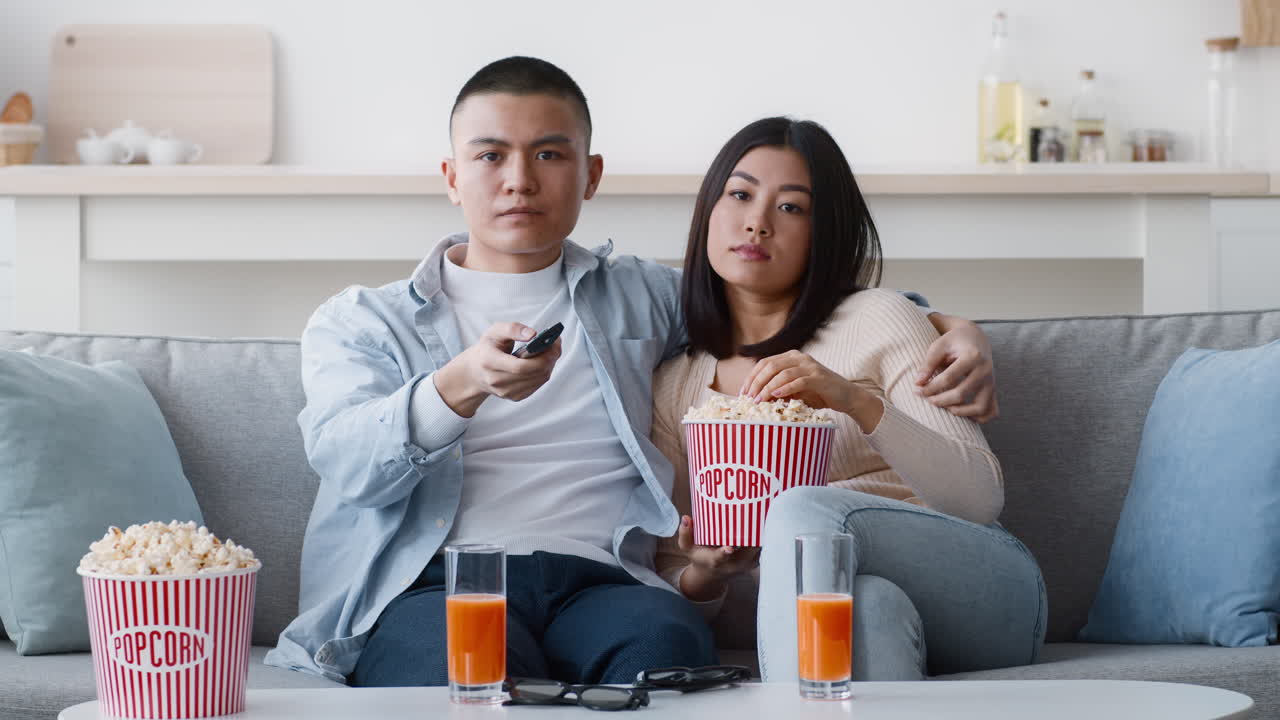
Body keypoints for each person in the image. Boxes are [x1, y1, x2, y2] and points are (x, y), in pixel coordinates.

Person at [265, 56, 1004, 685]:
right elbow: (345, 461)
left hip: (607, 580)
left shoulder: (642, 297)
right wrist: (462, 385)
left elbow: (779, 308)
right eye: (491, 156)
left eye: (549, 155)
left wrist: (951, 327)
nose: (519, 180)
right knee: (466, 671)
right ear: (452, 177)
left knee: (670, 649)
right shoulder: (361, 321)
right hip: (442, 582)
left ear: (590, 176)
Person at [651, 117, 1046, 681]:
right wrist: (707, 573)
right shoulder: (678, 388)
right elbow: (674, 572)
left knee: (797, 508)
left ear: (825, 232)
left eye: (791, 208)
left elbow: (979, 500)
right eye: (739, 195)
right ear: (708, 212)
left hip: (983, 590)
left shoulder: (881, 319)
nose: (757, 222)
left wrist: (852, 399)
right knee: (865, 609)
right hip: (845, 603)